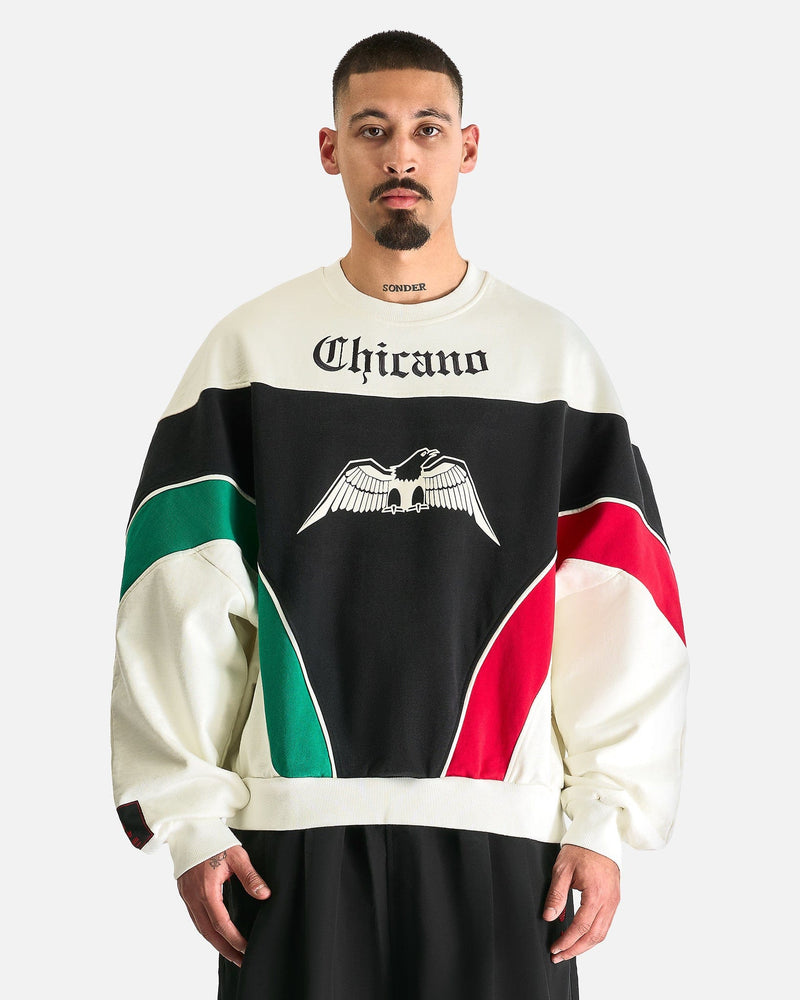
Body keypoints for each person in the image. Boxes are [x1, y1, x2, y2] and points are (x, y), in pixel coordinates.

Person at [111, 29, 689, 1000]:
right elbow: (175, 580)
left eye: (427, 129)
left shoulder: (549, 358)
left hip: (509, 836)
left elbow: (618, 593)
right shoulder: (251, 349)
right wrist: (190, 816)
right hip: (290, 836)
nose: (400, 155)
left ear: (468, 147)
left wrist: (602, 817)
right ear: (330, 148)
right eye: (371, 129)